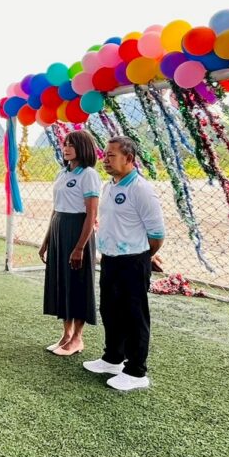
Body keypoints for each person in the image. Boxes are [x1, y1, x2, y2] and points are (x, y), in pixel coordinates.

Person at [83, 136, 165, 392]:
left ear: (129, 158)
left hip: (133, 261)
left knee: (134, 315)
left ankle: (136, 371)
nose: (105, 160)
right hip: (110, 260)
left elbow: (157, 234)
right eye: (104, 155)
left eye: (111, 155)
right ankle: (113, 358)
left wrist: (140, 255)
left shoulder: (141, 189)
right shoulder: (109, 186)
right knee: (110, 310)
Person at [39, 130, 101, 356]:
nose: (66, 148)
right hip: (59, 229)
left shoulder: (89, 174)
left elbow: (91, 213)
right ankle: (66, 334)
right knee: (62, 282)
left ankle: (77, 338)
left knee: (78, 283)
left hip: (77, 231)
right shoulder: (62, 173)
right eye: (65, 144)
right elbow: (55, 209)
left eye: (71, 145)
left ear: (83, 148)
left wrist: (79, 247)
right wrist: (46, 241)